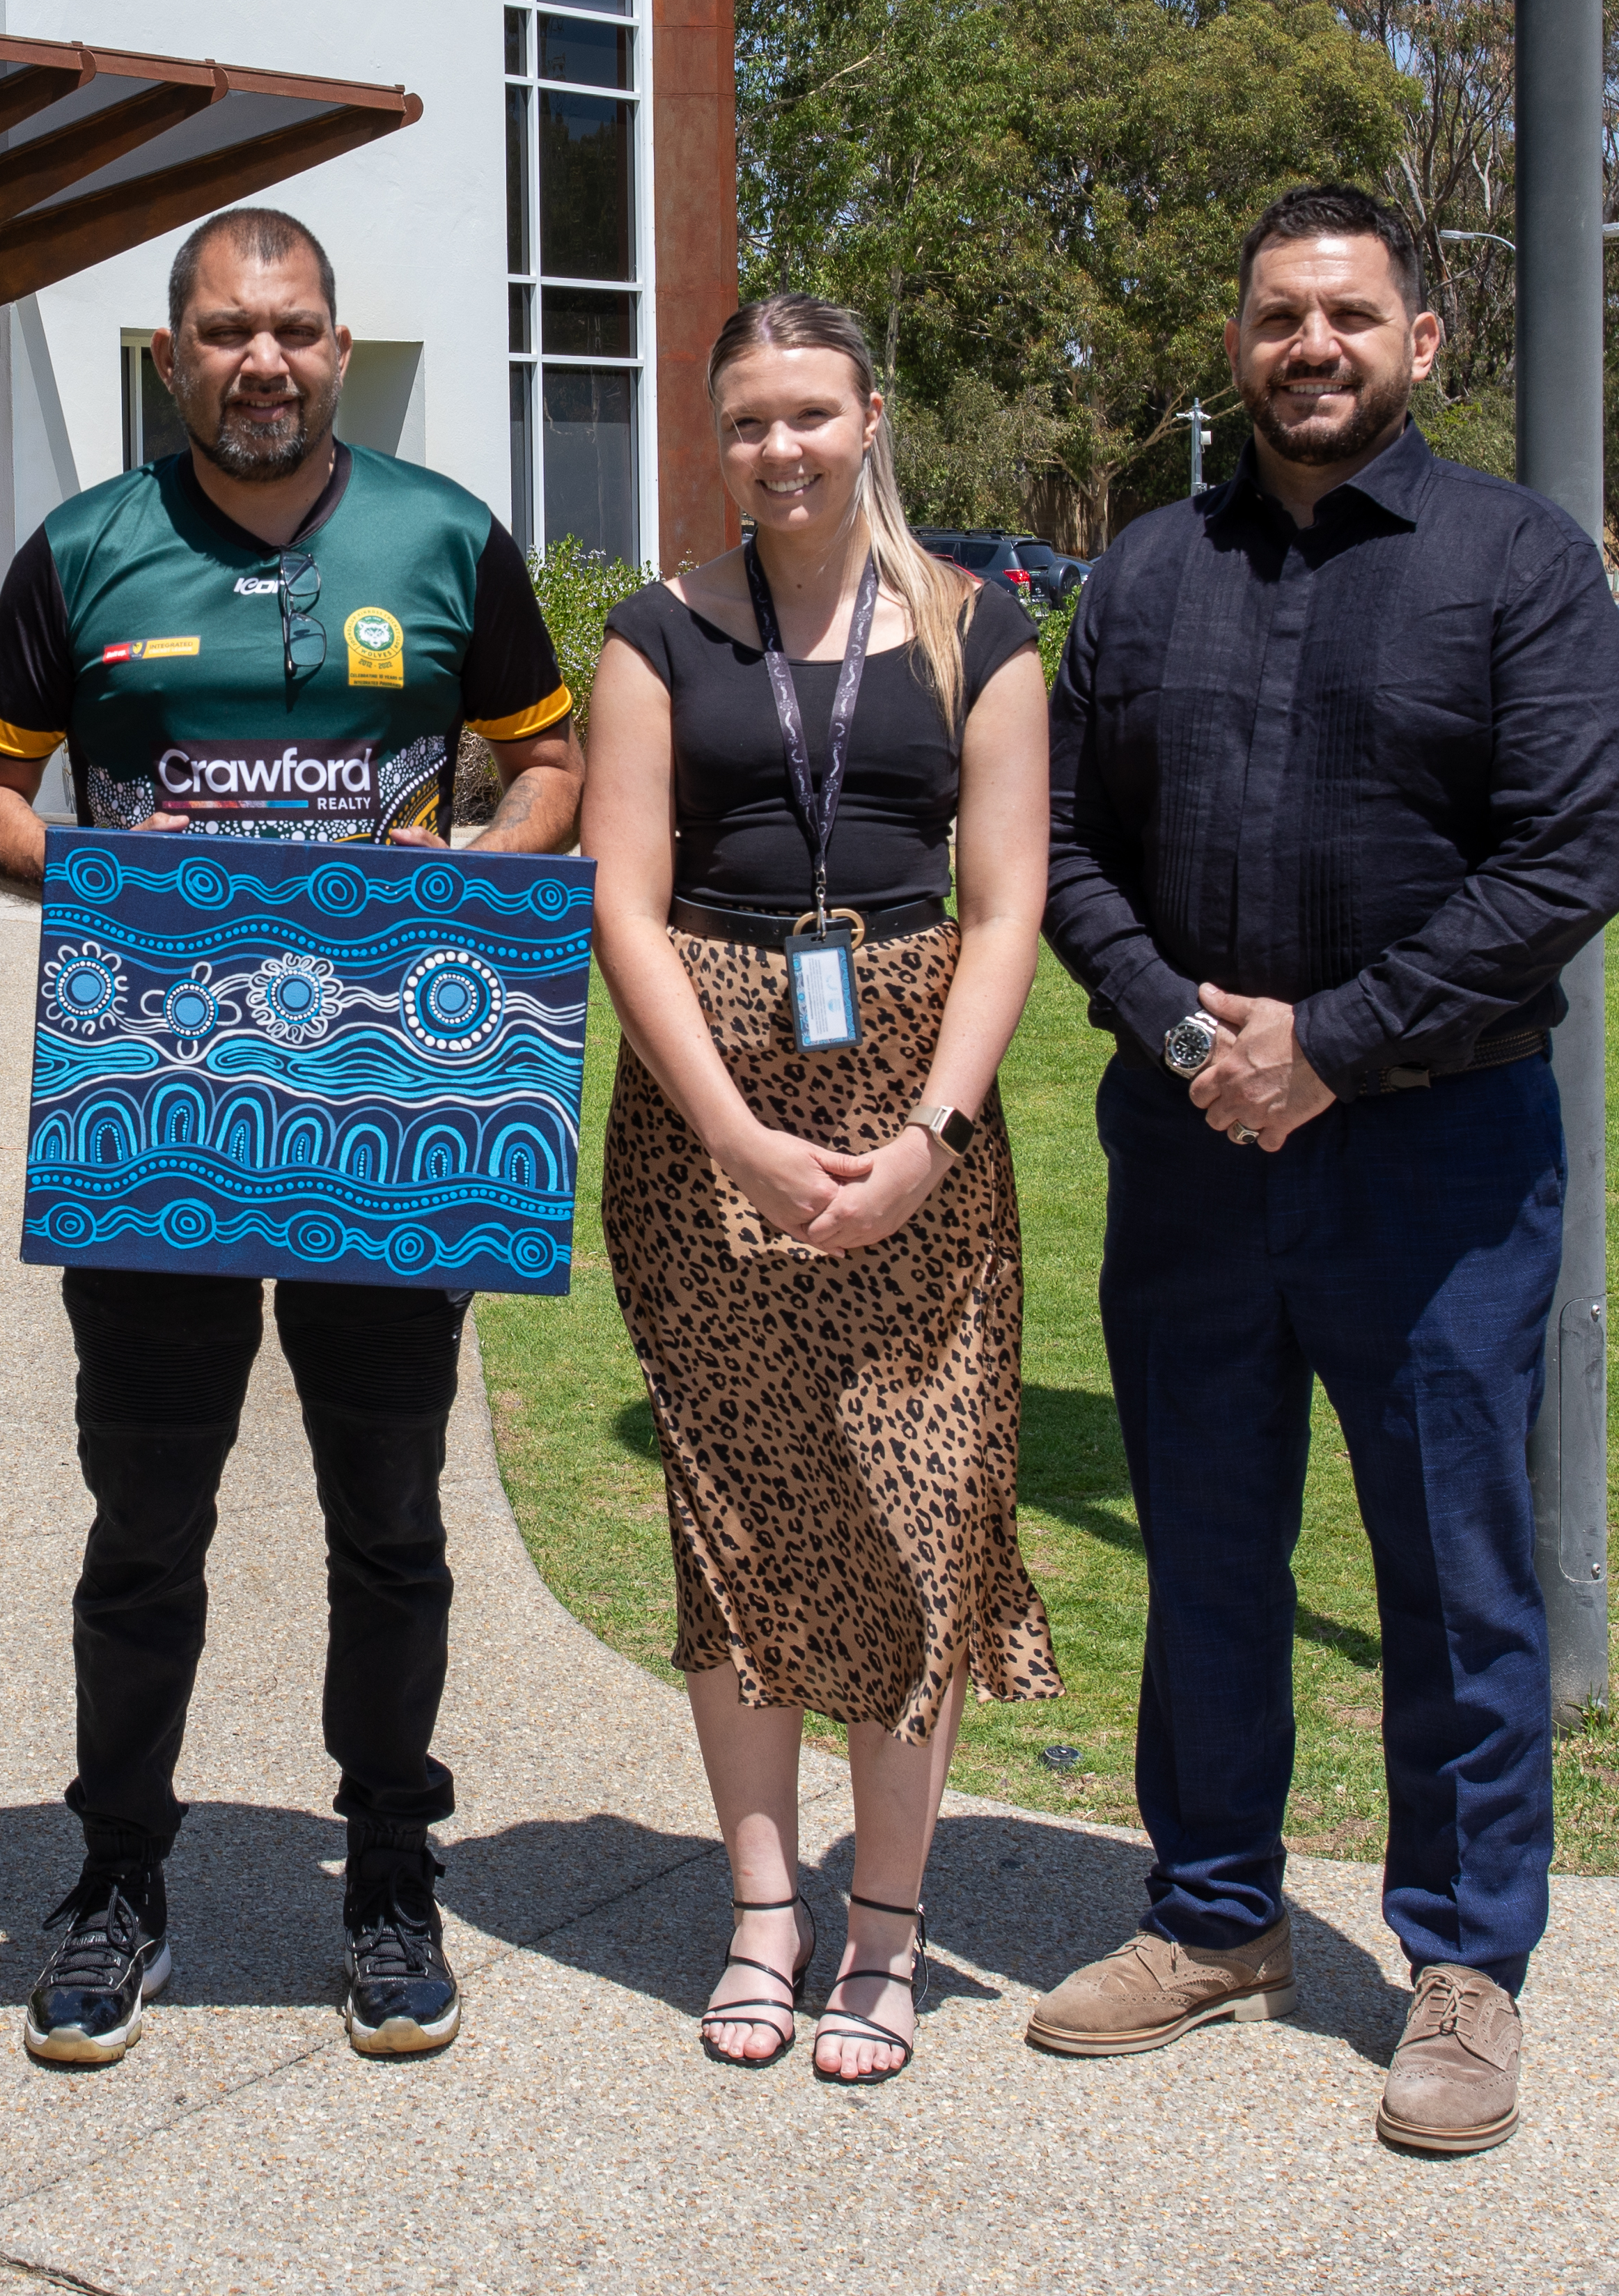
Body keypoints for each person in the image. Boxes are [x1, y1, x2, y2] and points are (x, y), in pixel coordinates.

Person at [1029, 184, 1619, 2157]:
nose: (1314, 346)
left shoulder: (1520, 570)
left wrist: (1335, 1044)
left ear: (1422, 341)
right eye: (1281, 314)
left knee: (1457, 1570)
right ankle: (1214, 1919)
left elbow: (1566, 861)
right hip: (1195, 1151)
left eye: (1351, 315)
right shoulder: (1137, 581)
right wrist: (1196, 1036)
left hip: (1442, 1161)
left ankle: (1467, 1968)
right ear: (1238, 340)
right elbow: (1055, 846)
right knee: (1210, 1547)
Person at [0, 205, 583, 2068]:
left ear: (339, 344)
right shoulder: (86, 552)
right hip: (162, 1099)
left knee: (390, 1522)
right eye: (225, 332)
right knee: (147, 1521)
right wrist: (129, 893)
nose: (263, 361)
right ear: (171, 358)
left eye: (294, 329)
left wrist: (480, 867)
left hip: (395, 1095)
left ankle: (388, 1882)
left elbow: (543, 758)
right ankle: (115, 1882)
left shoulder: (446, 537)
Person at [581, 297, 1060, 2086]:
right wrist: (734, 1136)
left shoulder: (980, 629)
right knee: (737, 1505)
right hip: (707, 1101)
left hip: (919, 1086)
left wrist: (933, 1129)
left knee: (923, 1508)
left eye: (808, 413)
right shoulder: (658, 631)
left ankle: (891, 1924)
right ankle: (765, 1910)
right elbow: (623, 896)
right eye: (746, 421)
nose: (778, 449)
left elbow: (1008, 896)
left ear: (872, 415)